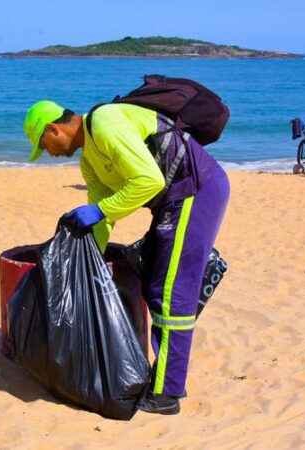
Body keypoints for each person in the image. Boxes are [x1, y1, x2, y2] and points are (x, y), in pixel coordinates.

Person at [24, 100, 230, 415]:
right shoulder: (89, 161)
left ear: (53, 128)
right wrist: (90, 259)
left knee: (171, 293)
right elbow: (101, 220)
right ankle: (167, 380)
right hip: (173, 201)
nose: (49, 153)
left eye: (45, 145)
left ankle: (167, 393)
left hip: (196, 190)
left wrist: (101, 209)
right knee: (156, 283)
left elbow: (149, 181)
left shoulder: (105, 123)